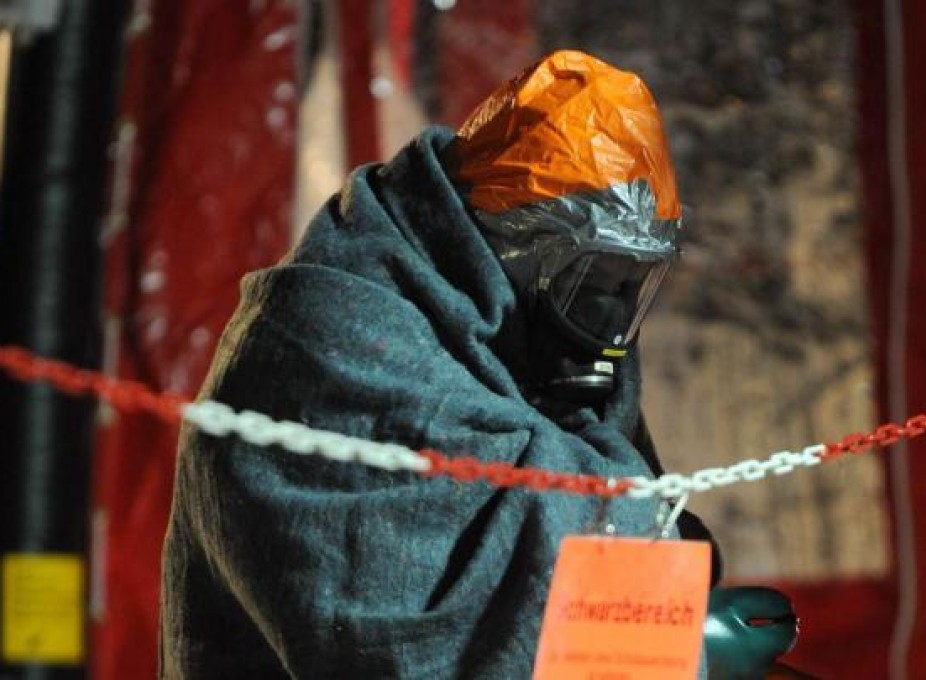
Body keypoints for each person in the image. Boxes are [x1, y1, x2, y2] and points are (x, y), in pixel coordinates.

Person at [160, 50, 722, 678]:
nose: (614, 319)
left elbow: (598, 507)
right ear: (505, 256)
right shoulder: (321, 348)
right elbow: (389, 632)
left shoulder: (542, 361)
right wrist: (662, 588)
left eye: (636, 285)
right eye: (596, 280)